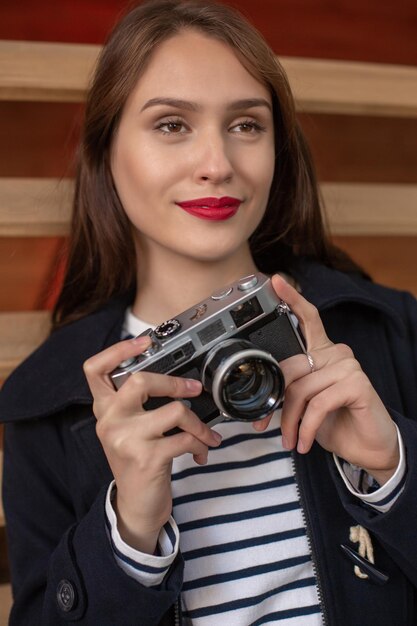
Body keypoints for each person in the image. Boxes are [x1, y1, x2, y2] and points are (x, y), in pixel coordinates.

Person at [1, 0, 417, 624]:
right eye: (172, 124)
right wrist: (129, 536)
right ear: (107, 148)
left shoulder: (387, 329)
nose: (218, 165)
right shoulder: (47, 403)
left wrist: (392, 473)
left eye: (247, 125)